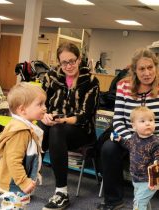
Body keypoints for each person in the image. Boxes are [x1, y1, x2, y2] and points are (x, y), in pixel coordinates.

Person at [99, 48, 159, 210]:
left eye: (150, 67)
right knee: (108, 149)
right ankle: (114, 202)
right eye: (141, 69)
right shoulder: (123, 86)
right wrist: (132, 142)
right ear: (134, 71)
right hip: (130, 139)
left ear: (156, 67)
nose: (146, 73)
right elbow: (117, 120)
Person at [38, 42, 100, 210]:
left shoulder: (91, 81)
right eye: (64, 62)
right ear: (59, 62)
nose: (69, 66)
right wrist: (44, 115)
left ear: (79, 59)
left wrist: (61, 120)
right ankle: (26, 178)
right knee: (38, 128)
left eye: (72, 61)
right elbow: (40, 101)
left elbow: (85, 116)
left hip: (80, 130)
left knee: (56, 130)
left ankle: (61, 192)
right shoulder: (52, 76)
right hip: (54, 125)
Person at [0, 82, 46, 210]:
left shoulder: (25, 126)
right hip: (14, 184)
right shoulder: (20, 132)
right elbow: (13, 160)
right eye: (40, 104)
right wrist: (24, 181)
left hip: (17, 183)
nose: (45, 108)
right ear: (22, 110)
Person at [113, 106, 159, 210]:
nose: (148, 123)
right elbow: (129, 144)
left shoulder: (156, 143)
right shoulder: (134, 137)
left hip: (149, 180)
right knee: (143, 202)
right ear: (134, 126)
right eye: (142, 121)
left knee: (138, 203)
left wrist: (158, 160)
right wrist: (120, 139)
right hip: (136, 178)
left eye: (151, 120)